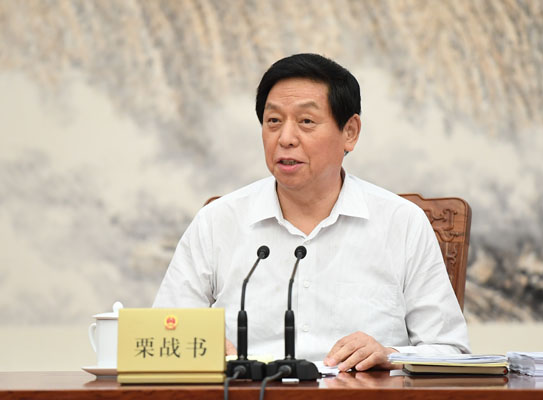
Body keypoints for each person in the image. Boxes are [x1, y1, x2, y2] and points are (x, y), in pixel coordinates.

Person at [153, 53, 470, 371]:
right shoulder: (217, 222)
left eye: (306, 121)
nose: (285, 139)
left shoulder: (401, 222)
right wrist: (197, 344)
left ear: (350, 132)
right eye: (273, 121)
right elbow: (164, 334)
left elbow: (450, 349)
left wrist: (390, 356)